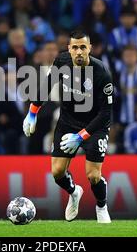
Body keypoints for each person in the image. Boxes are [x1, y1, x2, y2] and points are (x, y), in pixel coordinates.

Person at [22, 30, 114, 223]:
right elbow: (47, 86)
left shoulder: (102, 73)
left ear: (90, 48)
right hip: (68, 122)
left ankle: (101, 206)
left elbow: (106, 113)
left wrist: (81, 137)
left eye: (83, 47)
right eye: (75, 47)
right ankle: (74, 192)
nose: (79, 51)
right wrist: (32, 112)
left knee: (93, 175)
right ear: (69, 49)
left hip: (95, 125)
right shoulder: (61, 62)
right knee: (57, 172)